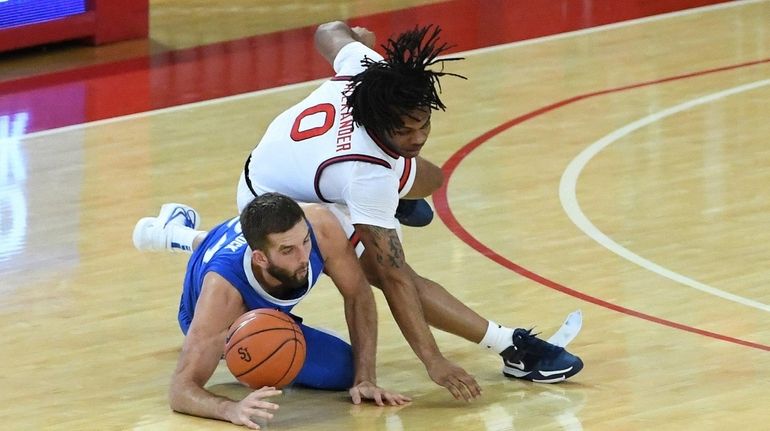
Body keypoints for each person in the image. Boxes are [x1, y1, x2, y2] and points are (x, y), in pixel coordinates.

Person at [236, 20, 584, 403]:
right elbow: (395, 277)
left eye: (424, 125)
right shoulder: (366, 174)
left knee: (431, 179)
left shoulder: (369, 71)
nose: (417, 137)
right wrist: (433, 359)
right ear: (381, 122)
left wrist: (354, 38)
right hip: (277, 197)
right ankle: (511, 347)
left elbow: (327, 30)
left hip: (312, 161)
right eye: (406, 130)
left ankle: (388, 209)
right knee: (389, 271)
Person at [132, 195, 410, 430]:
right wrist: (231, 410)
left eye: (304, 242)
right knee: (248, 358)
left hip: (258, 291)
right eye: (288, 250)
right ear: (260, 259)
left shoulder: (319, 226)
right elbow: (181, 390)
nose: (304, 257)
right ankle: (181, 236)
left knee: (349, 372)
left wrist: (365, 379)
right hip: (207, 308)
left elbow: (359, 294)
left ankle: (188, 235)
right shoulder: (222, 296)